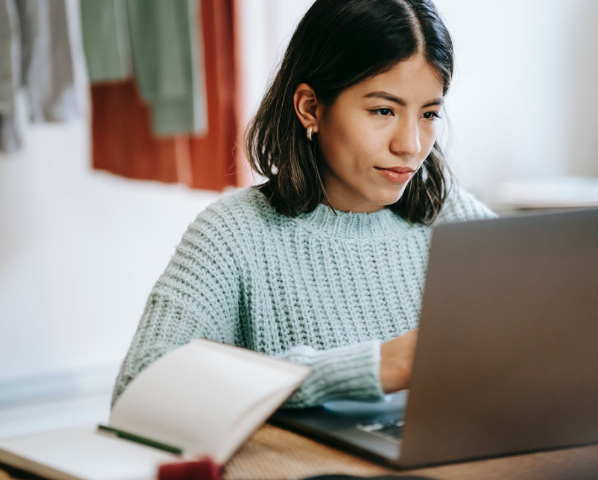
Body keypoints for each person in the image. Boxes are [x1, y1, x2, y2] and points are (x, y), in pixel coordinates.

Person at [110, 0, 496, 410]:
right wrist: (368, 367)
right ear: (310, 107)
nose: (410, 145)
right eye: (383, 110)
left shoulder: (452, 216)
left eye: (428, 114)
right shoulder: (233, 235)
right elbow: (138, 389)